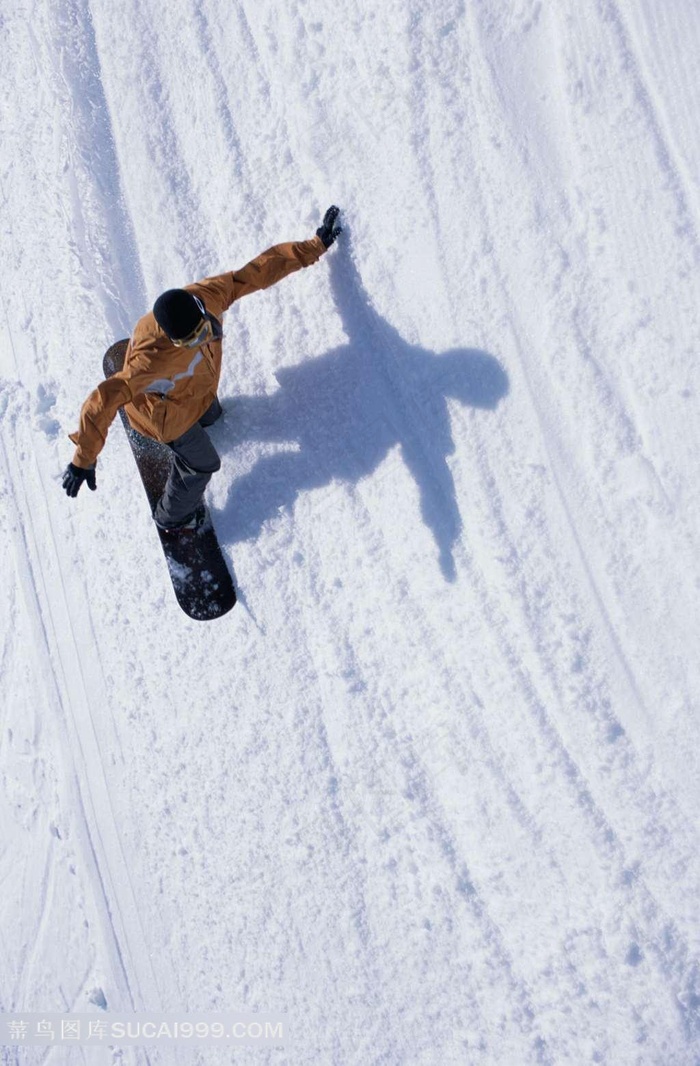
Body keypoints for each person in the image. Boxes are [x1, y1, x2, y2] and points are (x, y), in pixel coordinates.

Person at [62, 206, 342, 532]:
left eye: (203, 328)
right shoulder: (150, 361)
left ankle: (203, 418)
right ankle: (173, 517)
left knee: (210, 413)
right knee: (205, 462)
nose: (203, 338)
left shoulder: (208, 295)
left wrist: (313, 247)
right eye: (191, 339)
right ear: (171, 339)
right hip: (167, 418)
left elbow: (253, 273)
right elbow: (102, 400)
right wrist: (83, 458)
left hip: (197, 387)